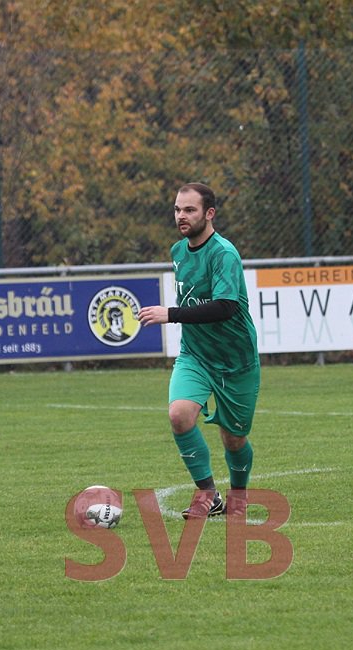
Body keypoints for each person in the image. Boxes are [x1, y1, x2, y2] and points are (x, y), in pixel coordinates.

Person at [138, 183, 260, 520]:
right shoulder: (178, 251)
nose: (181, 216)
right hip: (195, 355)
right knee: (179, 415)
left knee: (234, 439)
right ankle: (208, 495)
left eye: (189, 210)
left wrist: (171, 314)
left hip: (236, 361)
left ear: (209, 214)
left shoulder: (224, 254)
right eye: (177, 209)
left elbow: (225, 307)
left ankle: (238, 496)